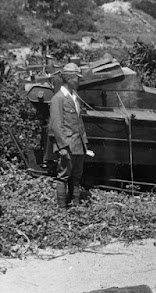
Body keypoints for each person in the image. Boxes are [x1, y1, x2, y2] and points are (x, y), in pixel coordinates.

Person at [49, 62, 88, 208]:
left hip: (78, 145)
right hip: (68, 144)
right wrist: (63, 147)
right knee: (63, 176)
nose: (78, 81)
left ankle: (76, 204)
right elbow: (56, 125)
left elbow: (79, 122)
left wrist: (85, 143)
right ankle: (62, 208)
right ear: (70, 79)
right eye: (77, 78)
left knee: (77, 176)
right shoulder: (58, 99)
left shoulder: (74, 98)